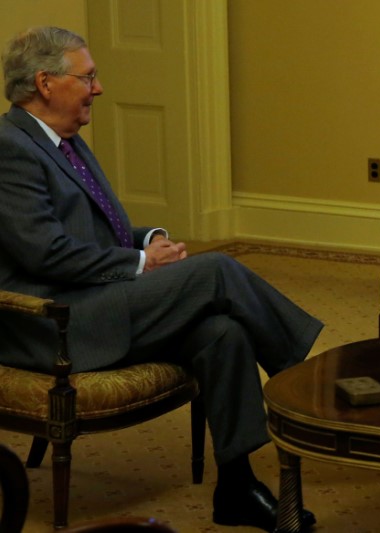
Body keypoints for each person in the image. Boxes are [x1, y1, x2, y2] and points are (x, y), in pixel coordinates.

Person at [0, 26, 322, 532]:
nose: (99, 88)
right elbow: (45, 253)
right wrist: (140, 264)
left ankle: (237, 487)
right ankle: (309, 382)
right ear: (45, 82)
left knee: (224, 332)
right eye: (88, 77)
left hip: (96, 298)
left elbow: (100, 229)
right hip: (54, 323)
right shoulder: (10, 147)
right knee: (216, 270)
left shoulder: (65, 142)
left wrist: (152, 240)